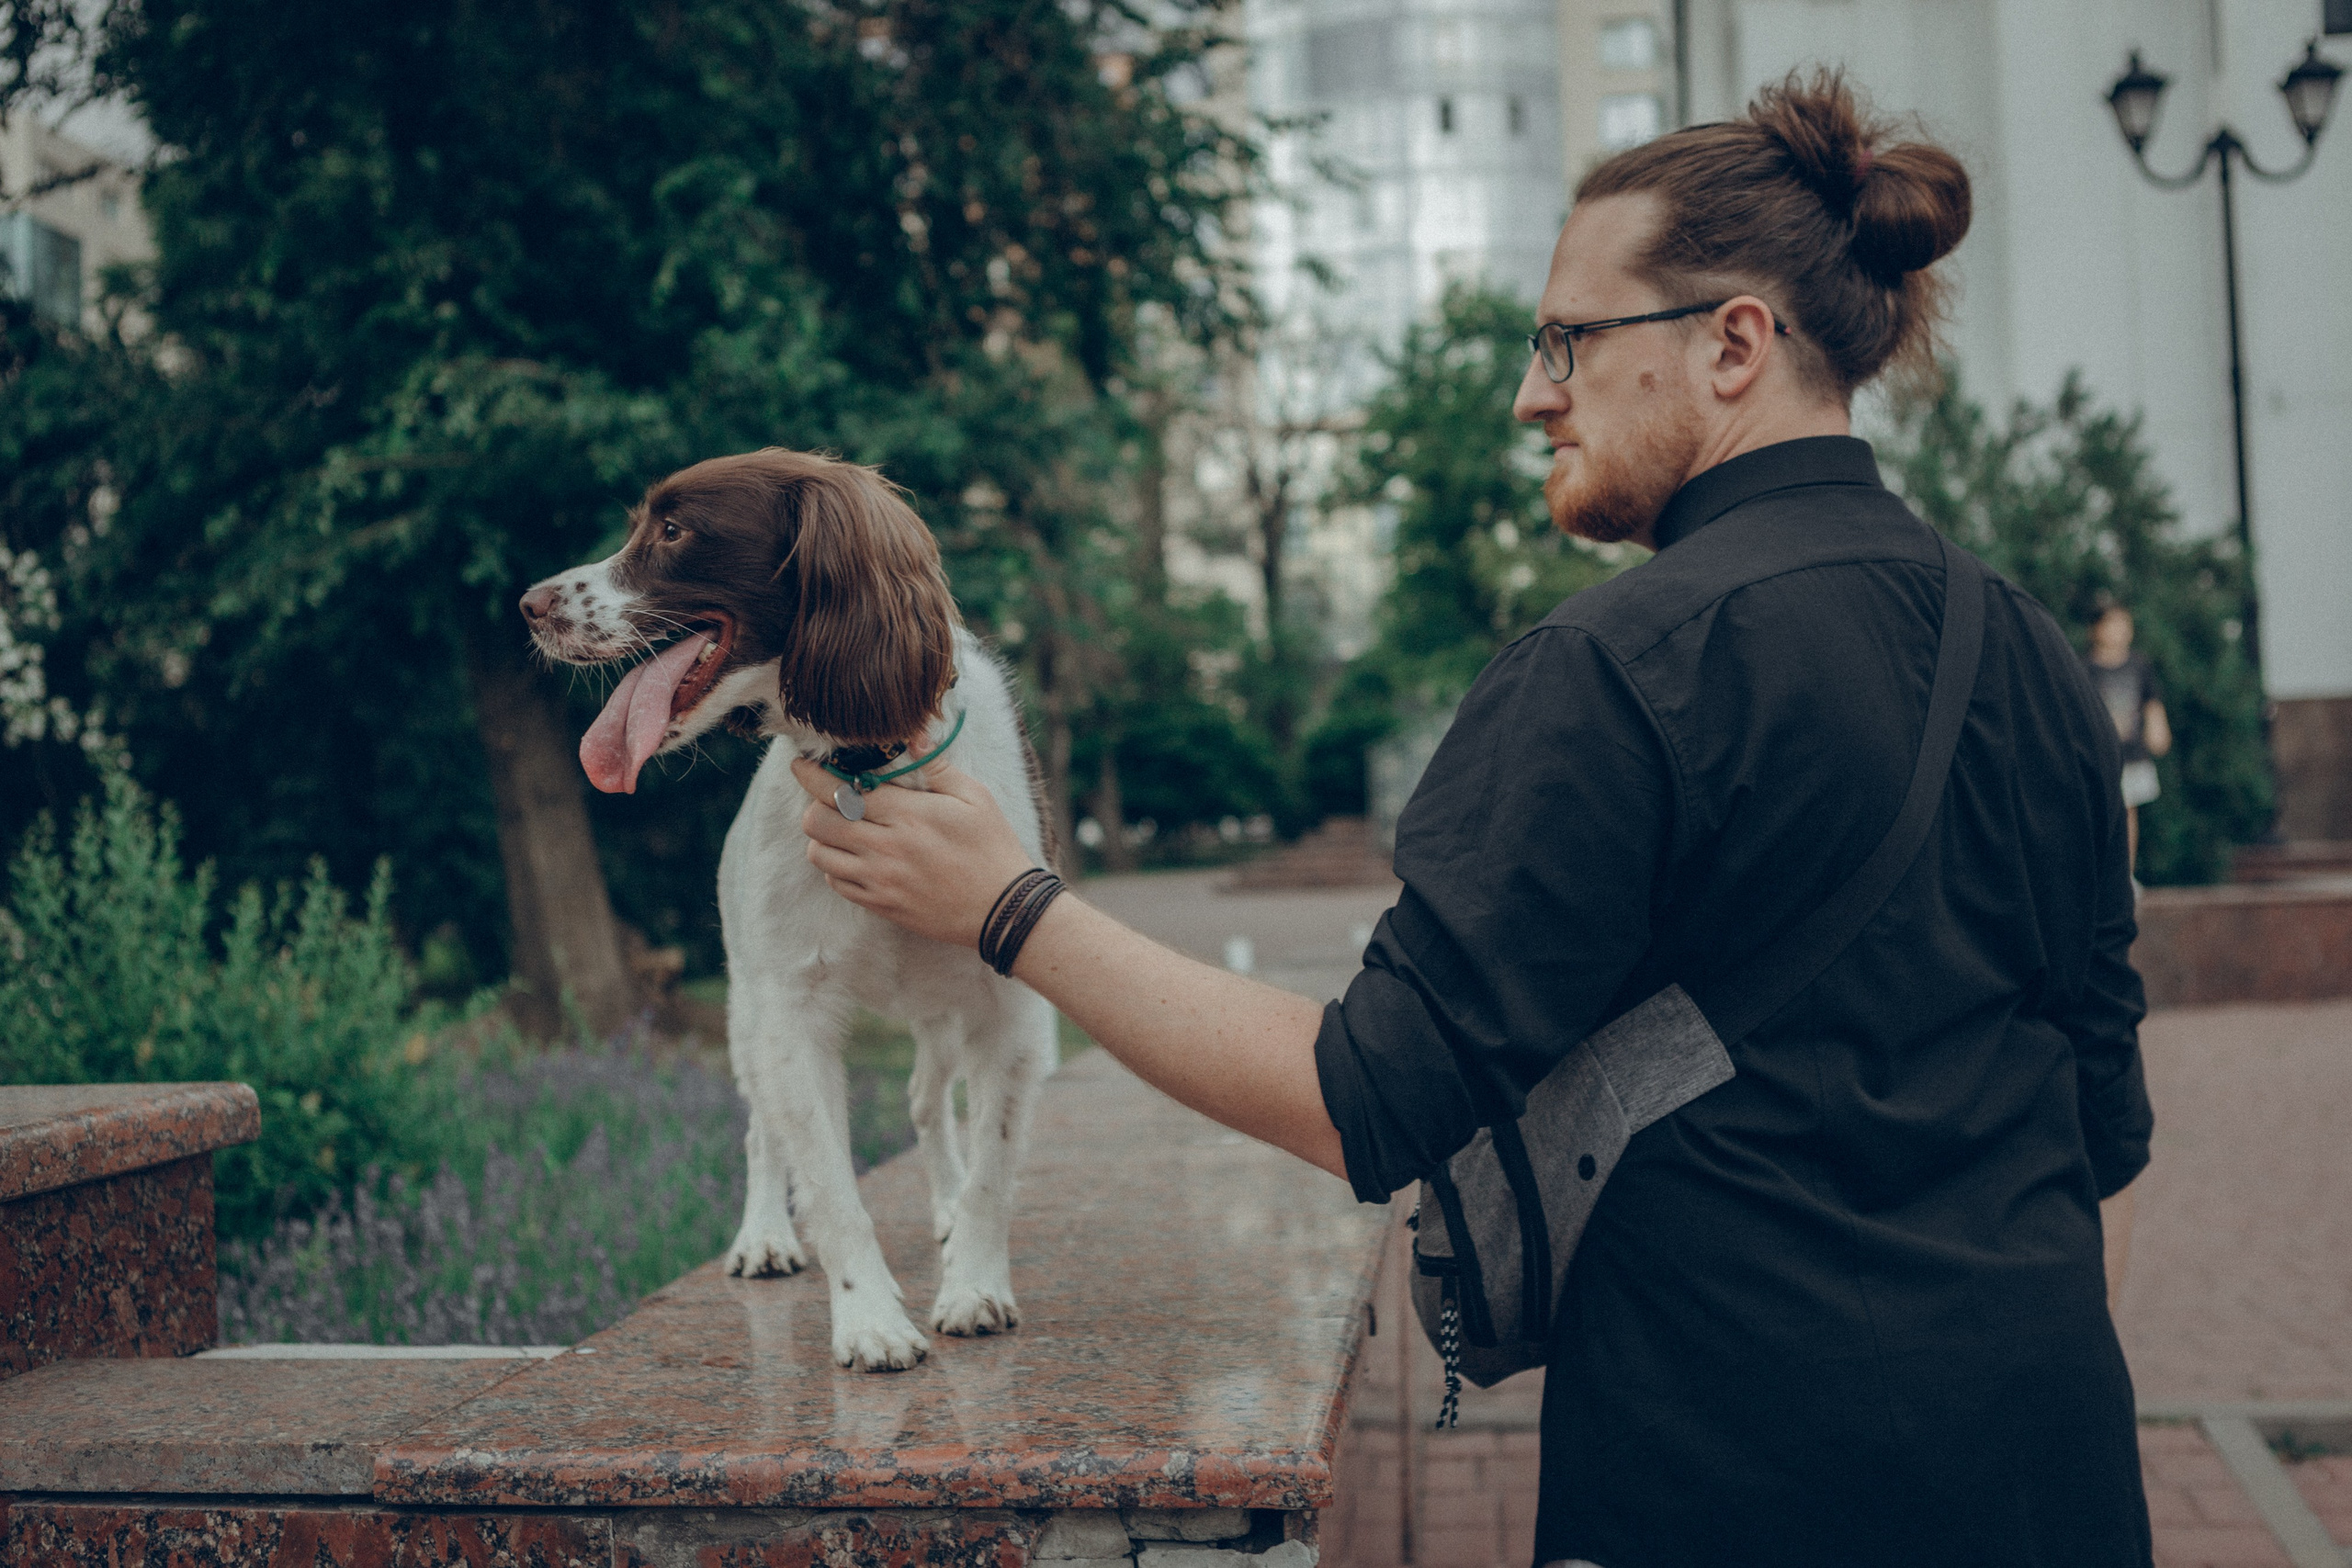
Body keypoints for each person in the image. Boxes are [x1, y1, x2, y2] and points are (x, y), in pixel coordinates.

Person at [788, 72, 2154, 1568]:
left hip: (1734, 1475)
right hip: (2054, 1463)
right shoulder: (2025, 645)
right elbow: (2101, 1107)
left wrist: (1012, 906)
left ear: (1733, 344)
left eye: (1568, 339)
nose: (1531, 393)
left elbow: (1363, 1097)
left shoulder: (1618, 668)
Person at [2086, 601, 2174, 872]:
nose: (2120, 631)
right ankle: (2100, 875)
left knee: (2128, 814)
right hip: (2099, 758)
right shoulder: (2085, 668)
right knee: (2099, 816)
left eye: (2124, 624)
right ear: (2095, 629)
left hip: (2132, 755)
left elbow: (2151, 701)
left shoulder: (2139, 665)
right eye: (2112, 624)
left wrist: (2158, 728)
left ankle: (2126, 874)